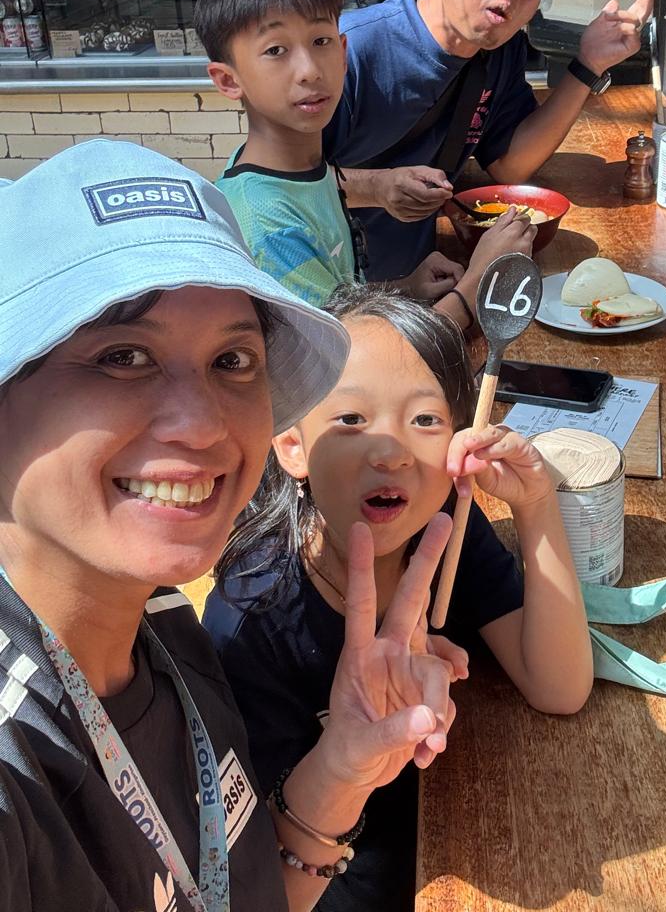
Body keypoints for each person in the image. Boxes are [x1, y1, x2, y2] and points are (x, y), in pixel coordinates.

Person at [0, 139, 465, 912]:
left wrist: (342, 768)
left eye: (233, 361)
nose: (204, 424)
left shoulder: (166, 627)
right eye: (123, 355)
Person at [204, 284, 594, 912]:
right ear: (292, 446)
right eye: (351, 420)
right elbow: (259, 870)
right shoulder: (251, 620)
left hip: (464, 834)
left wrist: (536, 503)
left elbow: (559, 688)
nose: (389, 452)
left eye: (425, 420)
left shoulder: (444, 535)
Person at [323, 0, 656, 282]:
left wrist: (588, 64)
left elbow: (510, 165)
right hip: (324, 288)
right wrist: (374, 188)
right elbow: (269, 182)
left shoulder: (501, 50)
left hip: (418, 283)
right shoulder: (350, 48)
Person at [195, 0, 534, 324]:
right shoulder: (268, 225)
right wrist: (476, 283)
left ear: (343, 53)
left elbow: (334, 302)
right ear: (228, 80)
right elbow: (354, 354)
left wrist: (404, 288)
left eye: (320, 41)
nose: (309, 70)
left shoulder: (303, 173)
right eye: (276, 50)